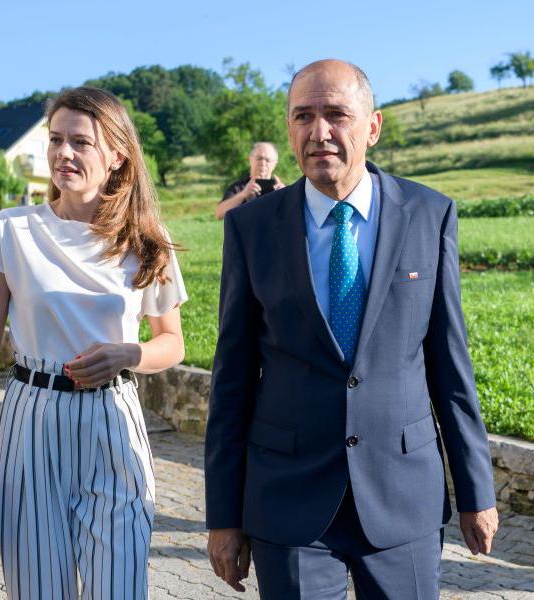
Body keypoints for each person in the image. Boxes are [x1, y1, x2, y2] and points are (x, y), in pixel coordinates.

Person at [204, 59, 499, 598]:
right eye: (303, 117)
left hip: (401, 495)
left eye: (337, 114)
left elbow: (450, 366)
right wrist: (222, 516)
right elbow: (233, 380)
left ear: (373, 126)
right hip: (288, 500)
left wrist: (477, 490)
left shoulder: (428, 214)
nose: (319, 133)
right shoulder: (252, 228)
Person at [0, 86, 188, 600]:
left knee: (119, 589)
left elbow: (172, 343)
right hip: (31, 421)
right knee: (39, 591)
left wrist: (129, 353)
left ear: (116, 156)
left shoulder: (145, 240)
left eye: (80, 142)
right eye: (55, 140)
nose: (63, 154)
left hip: (114, 423)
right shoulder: (11, 232)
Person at [215, 142, 285, 220]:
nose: (262, 163)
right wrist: (244, 194)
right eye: (259, 158)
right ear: (250, 159)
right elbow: (219, 214)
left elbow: (296, 218)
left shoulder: (281, 189)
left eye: (268, 160)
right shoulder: (238, 187)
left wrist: (286, 196)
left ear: (275, 163)